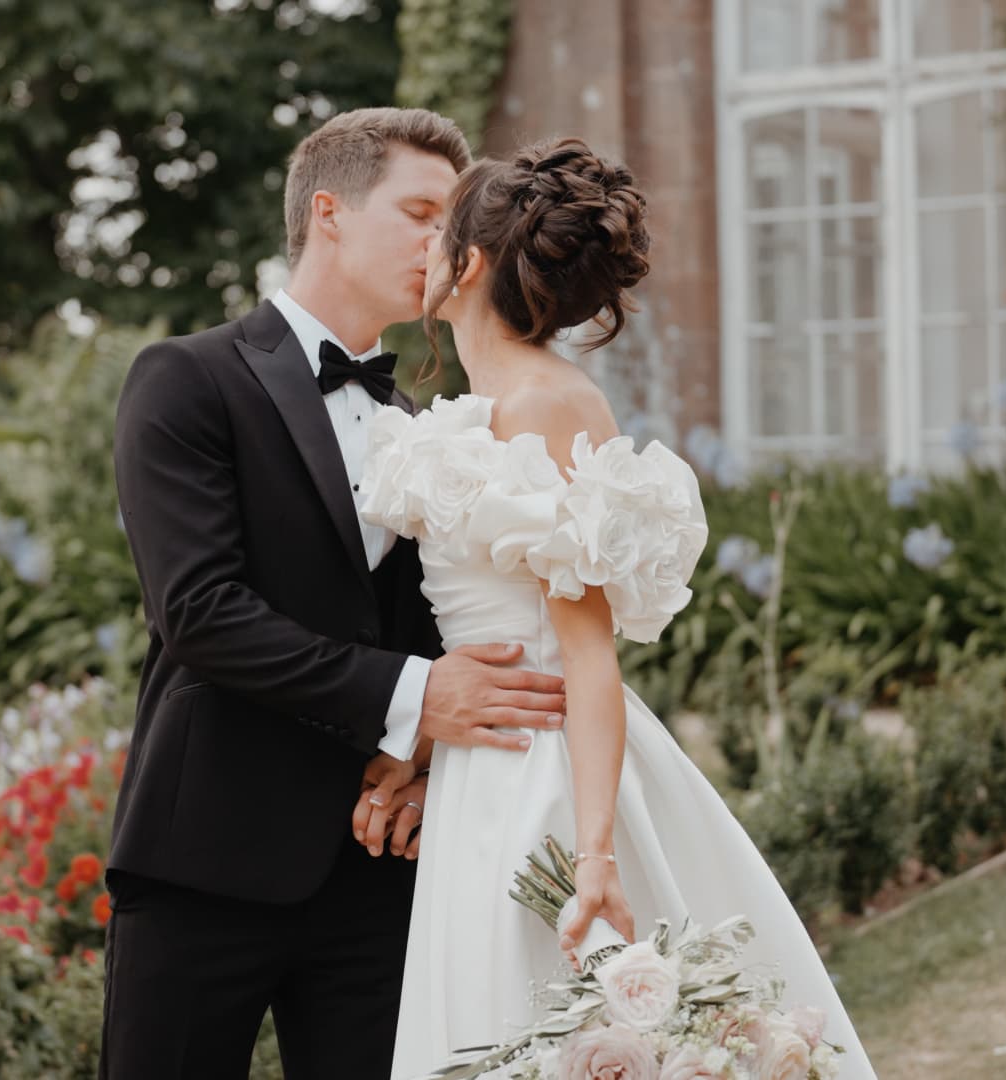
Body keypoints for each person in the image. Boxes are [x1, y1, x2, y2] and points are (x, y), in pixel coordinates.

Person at [352, 136, 879, 1079]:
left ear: (467, 266)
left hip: (548, 778)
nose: (422, 250)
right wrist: (418, 749)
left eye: (438, 234)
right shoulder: (480, 407)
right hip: (481, 770)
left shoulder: (552, 404)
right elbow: (479, 636)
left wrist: (593, 856)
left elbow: (586, 654)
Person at [100, 107, 570, 1080]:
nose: (447, 246)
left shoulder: (424, 428)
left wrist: (427, 758)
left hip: (377, 865)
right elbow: (198, 613)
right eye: (421, 212)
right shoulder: (186, 380)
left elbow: (437, 633)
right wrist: (417, 698)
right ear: (329, 212)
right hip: (206, 859)